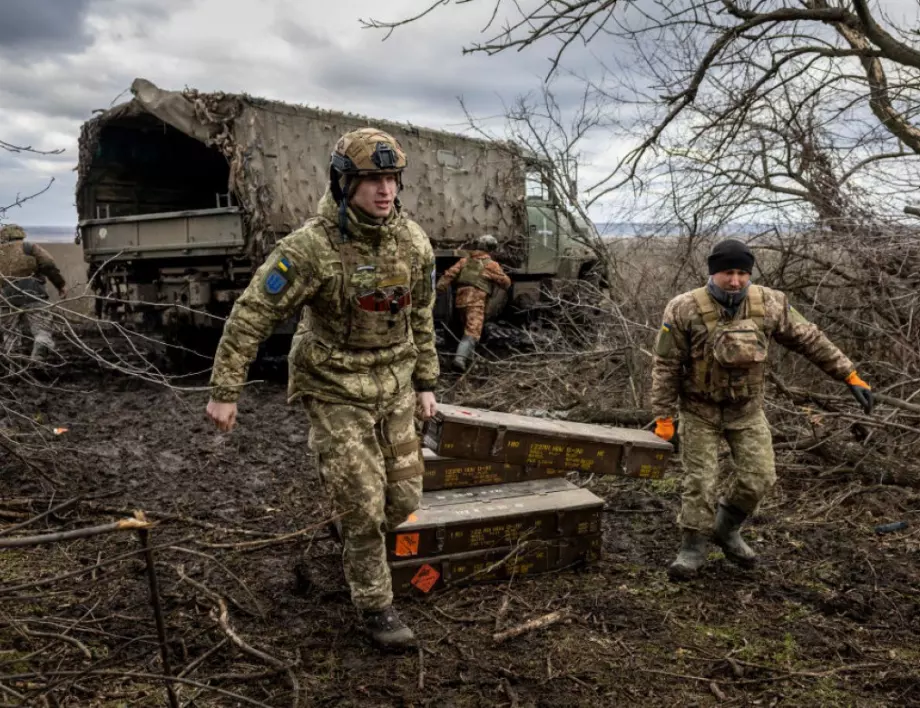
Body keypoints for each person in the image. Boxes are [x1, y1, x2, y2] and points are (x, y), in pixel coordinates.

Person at [204, 128, 439, 650]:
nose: (384, 190)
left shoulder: (414, 242)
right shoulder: (310, 248)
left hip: (396, 381)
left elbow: (420, 316)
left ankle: (352, 527)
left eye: (391, 178)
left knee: (401, 501)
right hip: (334, 385)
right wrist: (226, 389)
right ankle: (377, 608)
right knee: (361, 504)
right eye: (372, 179)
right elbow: (251, 314)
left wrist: (426, 383)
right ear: (343, 183)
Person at [651, 238, 874, 581]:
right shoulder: (683, 308)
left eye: (742, 272)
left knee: (760, 477)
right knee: (700, 482)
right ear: (713, 273)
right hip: (699, 410)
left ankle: (726, 530)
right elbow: (665, 365)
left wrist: (849, 374)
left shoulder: (770, 303)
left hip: (747, 410)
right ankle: (693, 547)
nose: (736, 281)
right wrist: (664, 417)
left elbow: (809, 339)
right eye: (728, 273)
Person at [435, 234, 511, 370]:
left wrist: (438, 290)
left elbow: (449, 275)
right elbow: (506, 283)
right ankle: (459, 360)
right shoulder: (491, 265)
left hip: (460, 302)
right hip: (476, 303)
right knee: (472, 332)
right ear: (491, 249)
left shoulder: (464, 261)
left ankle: (468, 361)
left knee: (466, 330)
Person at [0, 223, 67, 364]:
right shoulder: (29, 247)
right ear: (20, 235)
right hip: (34, 293)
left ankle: (13, 363)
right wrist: (60, 285)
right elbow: (48, 264)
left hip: (6, 296)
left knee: (9, 333)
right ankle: (39, 357)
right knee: (42, 330)